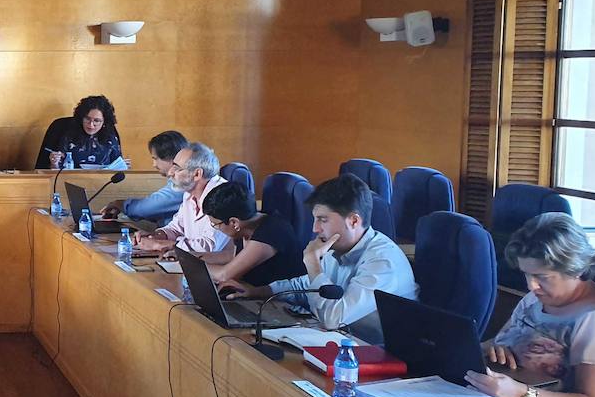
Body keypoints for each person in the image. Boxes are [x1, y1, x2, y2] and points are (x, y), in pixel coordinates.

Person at [468, 213, 595, 397]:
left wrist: (522, 394)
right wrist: (490, 350)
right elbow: (498, 342)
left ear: (575, 269)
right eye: (527, 274)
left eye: (542, 277)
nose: (531, 285)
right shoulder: (535, 299)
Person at [225, 174, 416, 344]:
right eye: (315, 219)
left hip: (379, 354)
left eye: (323, 220)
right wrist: (259, 292)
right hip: (344, 342)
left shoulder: (383, 262)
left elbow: (334, 318)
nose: (315, 229)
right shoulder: (337, 247)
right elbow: (305, 286)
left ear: (354, 221)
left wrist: (313, 264)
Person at [201, 181, 305, 288]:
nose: (216, 228)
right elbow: (235, 257)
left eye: (216, 224)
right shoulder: (245, 225)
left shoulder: (271, 231)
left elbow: (224, 276)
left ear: (234, 223)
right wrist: (197, 257)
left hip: (276, 296)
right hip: (251, 291)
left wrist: (194, 268)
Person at [136, 142, 230, 256]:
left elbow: (210, 246)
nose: (170, 173)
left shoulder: (223, 196)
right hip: (191, 262)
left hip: (215, 265)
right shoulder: (189, 192)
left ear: (197, 174)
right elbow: (177, 228)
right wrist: (156, 235)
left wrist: (162, 244)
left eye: (177, 168)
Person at [102, 131, 187, 225]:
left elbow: (148, 208)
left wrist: (120, 204)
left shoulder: (184, 182)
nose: (154, 165)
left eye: (155, 159)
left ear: (171, 158)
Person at [35, 96, 127, 170]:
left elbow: (118, 167)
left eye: (96, 121)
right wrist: (54, 163)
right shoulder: (68, 133)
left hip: (103, 183)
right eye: (87, 119)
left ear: (104, 122)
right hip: (70, 182)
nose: (91, 125)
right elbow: (55, 172)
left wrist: (124, 166)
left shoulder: (110, 135)